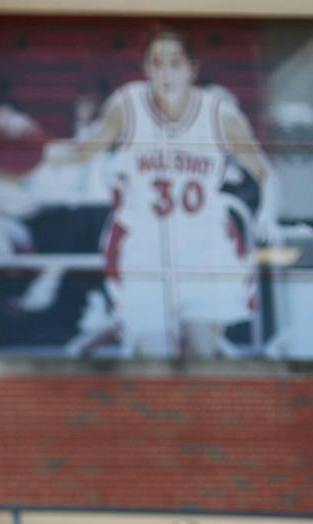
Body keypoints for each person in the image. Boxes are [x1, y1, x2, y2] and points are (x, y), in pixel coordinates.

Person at [43, 28, 272, 357]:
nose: (166, 73)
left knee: (200, 352)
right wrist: (27, 154)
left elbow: (267, 174)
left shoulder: (221, 115)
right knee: (156, 359)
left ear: (192, 69)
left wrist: (267, 213)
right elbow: (82, 152)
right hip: (143, 252)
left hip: (203, 253)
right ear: (146, 69)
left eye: (175, 63)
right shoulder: (127, 105)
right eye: (157, 63)